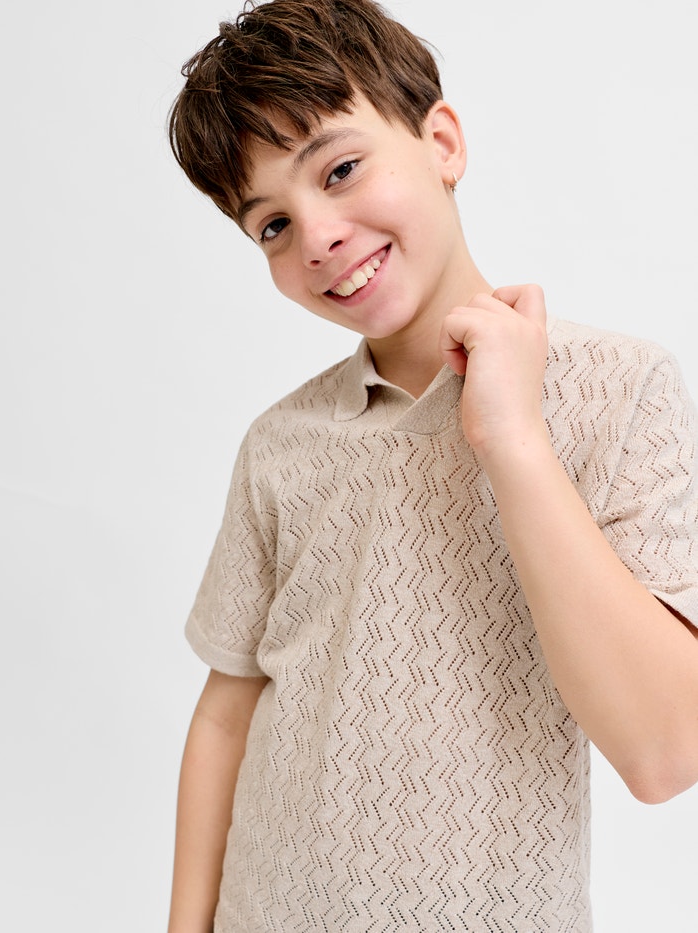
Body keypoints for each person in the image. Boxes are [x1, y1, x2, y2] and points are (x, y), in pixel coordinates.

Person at [166, 1, 698, 929]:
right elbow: (226, 710)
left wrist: (513, 439)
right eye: (273, 225)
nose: (317, 236)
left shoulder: (620, 390)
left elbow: (666, 752)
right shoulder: (280, 445)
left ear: (442, 142)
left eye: (339, 169)